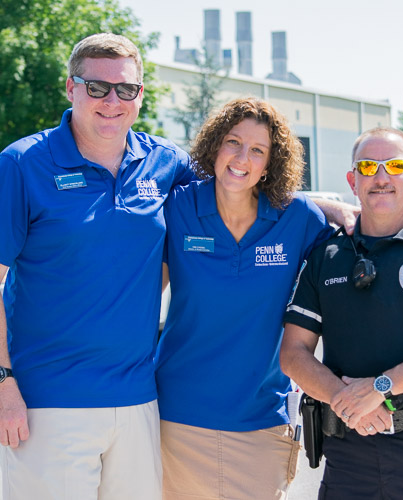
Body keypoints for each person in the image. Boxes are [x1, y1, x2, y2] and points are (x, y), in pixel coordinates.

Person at [0, 33, 196, 500]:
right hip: (47, 404)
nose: (112, 101)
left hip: (137, 399)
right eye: (97, 87)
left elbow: (237, 189)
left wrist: (323, 209)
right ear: (71, 88)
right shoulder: (22, 163)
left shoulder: (166, 163)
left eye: (125, 89)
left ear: (140, 95)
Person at [155, 97, 348, 499]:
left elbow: (355, 256)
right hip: (178, 418)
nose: (242, 158)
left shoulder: (298, 218)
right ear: (215, 146)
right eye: (233, 142)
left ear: (270, 163)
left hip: (262, 420)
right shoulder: (179, 207)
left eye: (258, 150)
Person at [280, 127, 403, 499]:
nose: (381, 176)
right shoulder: (325, 258)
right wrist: (346, 399)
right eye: (368, 167)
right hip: (348, 458)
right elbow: (293, 354)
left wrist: (379, 389)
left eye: (395, 165)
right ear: (352, 181)